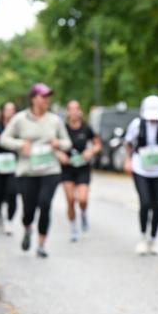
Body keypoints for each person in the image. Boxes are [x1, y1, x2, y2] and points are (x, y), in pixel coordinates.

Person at [0, 83, 71, 258]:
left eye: (48, 97)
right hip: (27, 171)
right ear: (33, 99)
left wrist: (58, 143)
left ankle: (41, 245)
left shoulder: (55, 120)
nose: (47, 100)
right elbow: (3, 139)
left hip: (50, 169)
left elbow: (67, 142)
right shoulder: (20, 119)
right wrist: (20, 144)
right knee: (28, 209)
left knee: (45, 204)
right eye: (43, 96)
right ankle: (28, 228)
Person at [124, 95, 158, 255]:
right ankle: (143, 236)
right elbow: (128, 142)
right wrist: (128, 160)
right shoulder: (137, 124)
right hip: (141, 167)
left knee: (157, 204)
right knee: (145, 203)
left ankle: (153, 239)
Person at [60, 100, 101, 242]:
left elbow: (97, 144)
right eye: (70, 109)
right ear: (67, 112)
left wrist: (91, 151)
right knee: (71, 200)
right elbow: (53, 144)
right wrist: (60, 155)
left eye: (76, 109)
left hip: (83, 168)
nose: (73, 112)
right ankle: (73, 228)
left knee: (82, 199)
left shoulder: (86, 128)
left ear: (80, 111)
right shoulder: (62, 129)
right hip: (67, 169)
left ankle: (83, 213)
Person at [0, 101, 19, 235]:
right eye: (7, 109)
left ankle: (10, 220)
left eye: (12, 110)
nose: (9, 112)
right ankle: (0, 214)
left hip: (13, 164)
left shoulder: (19, 126)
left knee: (12, 192)